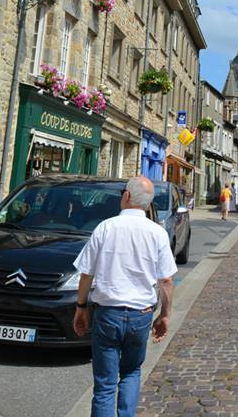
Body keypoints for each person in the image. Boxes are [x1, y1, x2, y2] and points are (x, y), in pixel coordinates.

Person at [73, 175, 177, 417]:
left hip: (108, 313)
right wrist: (165, 315)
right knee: (131, 373)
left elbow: (86, 274)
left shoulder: (105, 228)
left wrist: (81, 307)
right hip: (140, 315)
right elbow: (167, 280)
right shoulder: (157, 233)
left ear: (127, 196)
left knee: (105, 384)